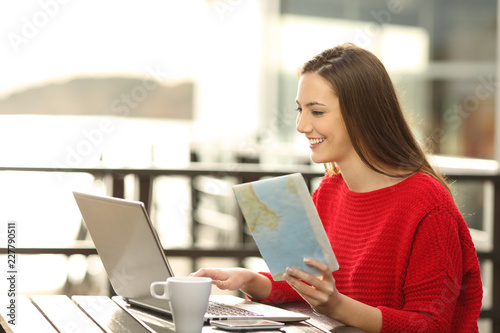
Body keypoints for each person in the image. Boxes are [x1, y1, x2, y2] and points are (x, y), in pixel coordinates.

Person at [191, 43, 483, 332]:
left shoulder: (428, 205)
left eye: (317, 112)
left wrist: (337, 306)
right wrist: (248, 279)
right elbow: (309, 284)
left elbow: (430, 326)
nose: (301, 125)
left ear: (361, 115)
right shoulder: (329, 190)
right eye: (300, 109)